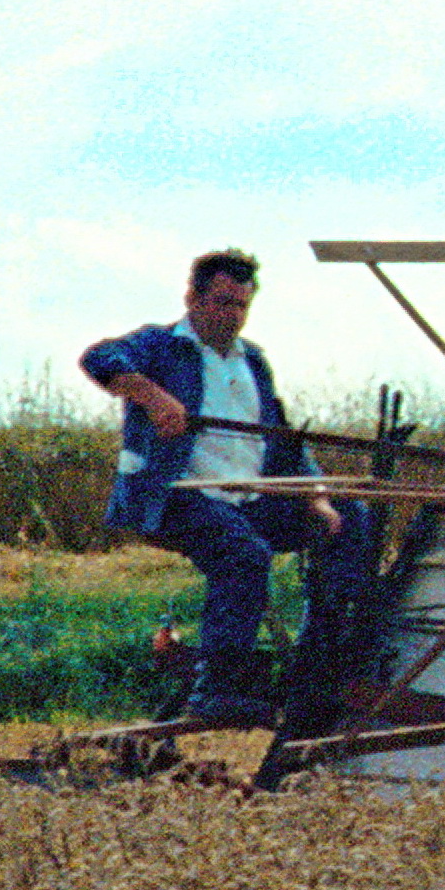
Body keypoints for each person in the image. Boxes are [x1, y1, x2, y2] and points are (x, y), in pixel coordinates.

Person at [80, 249, 377, 728]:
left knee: (353, 516)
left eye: (241, 306)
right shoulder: (160, 346)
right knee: (243, 553)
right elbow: (98, 358)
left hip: (245, 500)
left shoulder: (252, 361)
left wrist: (317, 497)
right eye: (221, 303)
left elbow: (280, 437)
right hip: (178, 497)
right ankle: (217, 688)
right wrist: (152, 396)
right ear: (192, 297)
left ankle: (318, 660)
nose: (231, 315)